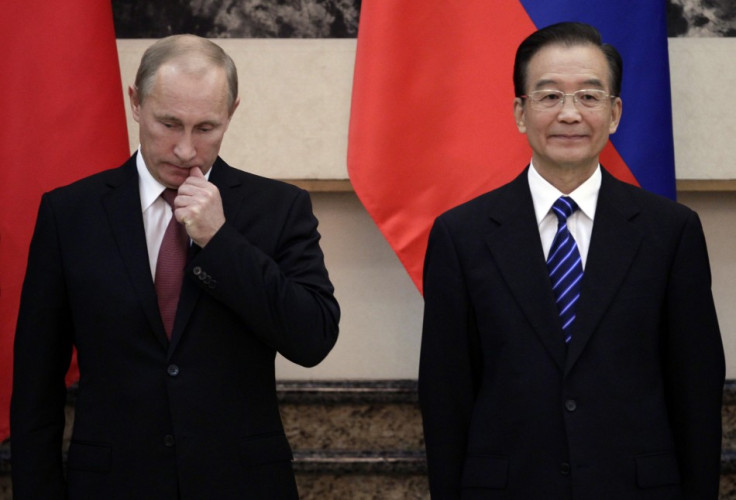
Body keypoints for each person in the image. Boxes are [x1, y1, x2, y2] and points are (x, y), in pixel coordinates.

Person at [10, 34, 339, 499]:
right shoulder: (70, 214)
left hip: (241, 484)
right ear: (136, 103)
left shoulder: (279, 208)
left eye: (206, 128)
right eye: (169, 124)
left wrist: (220, 242)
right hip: (111, 484)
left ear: (232, 113)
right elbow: (35, 387)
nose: (185, 150)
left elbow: (313, 338)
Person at [419, 22, 724, 499]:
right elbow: (445, 397)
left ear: (615, 112)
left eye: (588, 96)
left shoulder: (670, 232)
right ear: (521, 113)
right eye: (548, 97)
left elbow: (696, 391)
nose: (569, 114)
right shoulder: (462, 236)